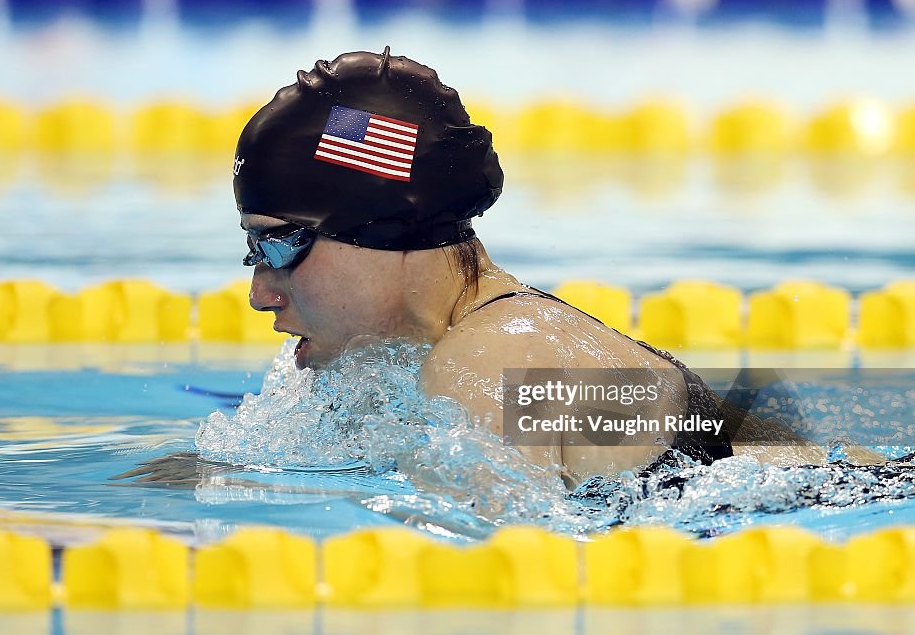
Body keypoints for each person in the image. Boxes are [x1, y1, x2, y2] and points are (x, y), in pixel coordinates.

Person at [232, 47, 860, 485]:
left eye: (282, 244)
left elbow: (496, 583)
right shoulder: (488, 338)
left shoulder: (481, 361)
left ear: (380, 228)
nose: (261, 292)